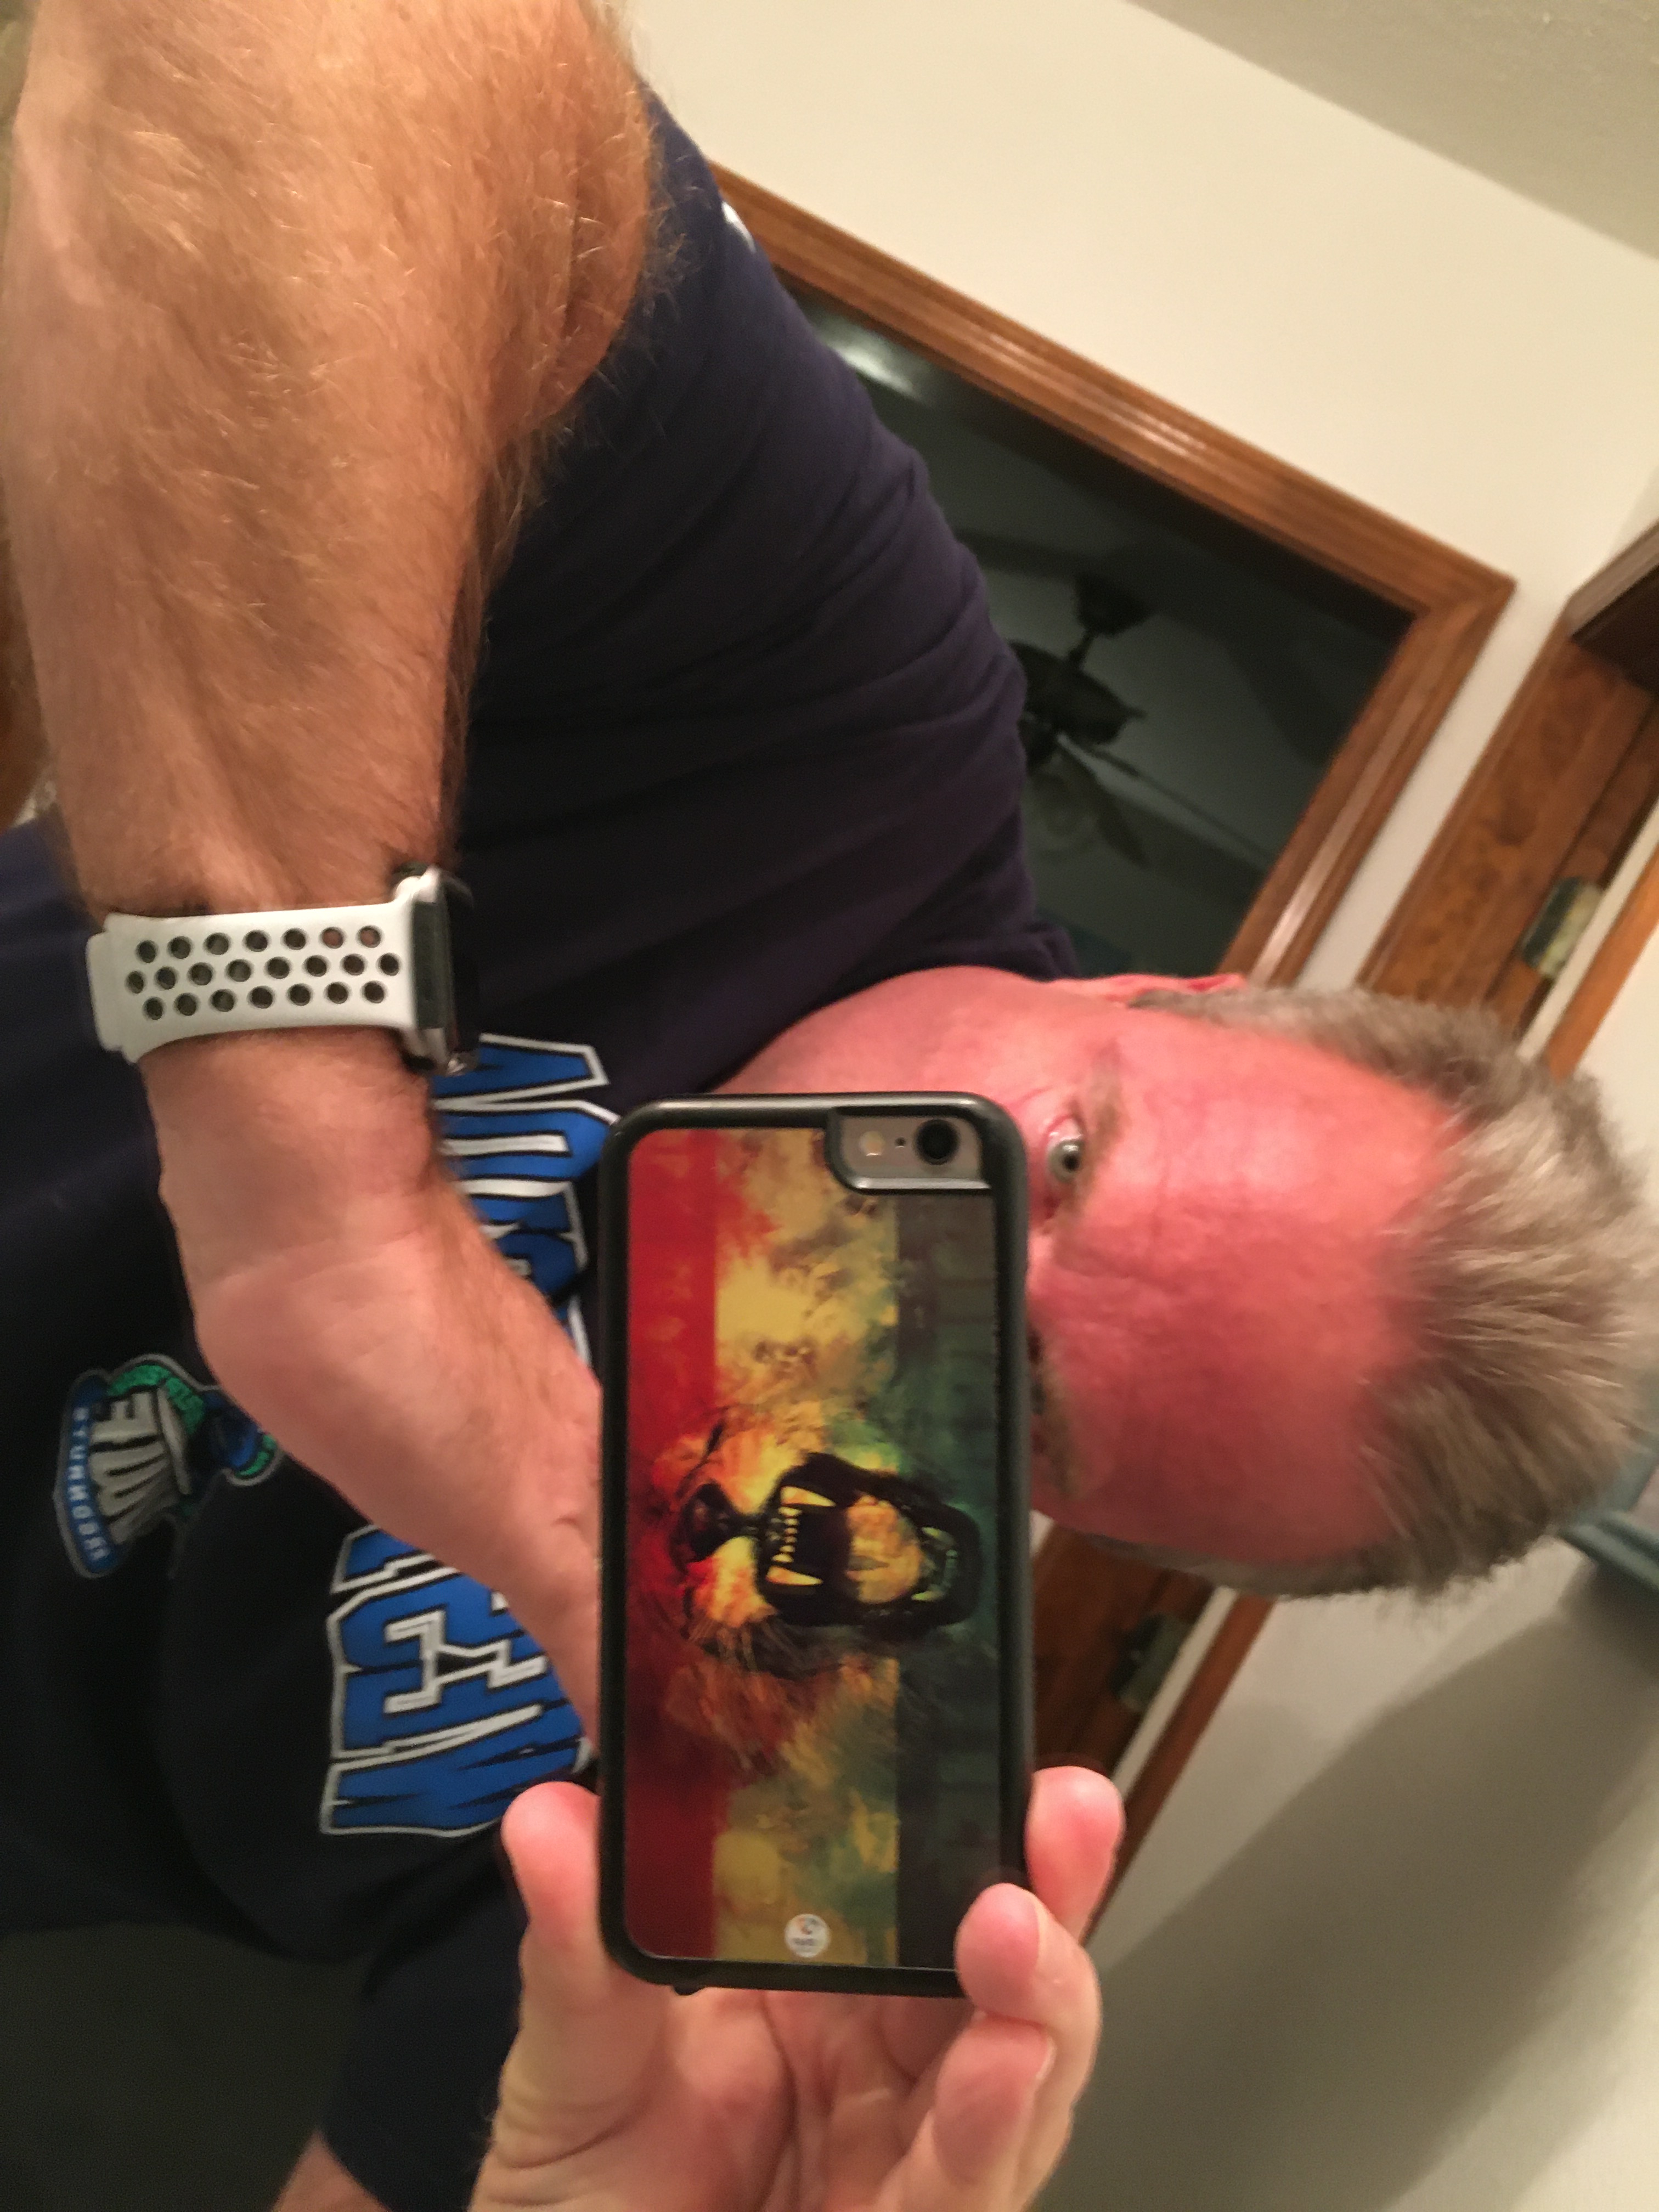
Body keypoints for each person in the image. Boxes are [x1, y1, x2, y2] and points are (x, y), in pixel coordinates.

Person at [1, 5, 1653, 2209]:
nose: (916, 1289)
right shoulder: (845, 740)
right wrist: (325, 1210)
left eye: (1028, 1404)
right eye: (1062, 1160)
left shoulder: (801, 1743)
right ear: (1174, 989)